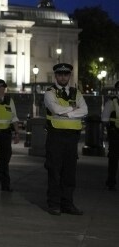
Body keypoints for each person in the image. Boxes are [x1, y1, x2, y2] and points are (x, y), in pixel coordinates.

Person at [44, 63, 87, 215]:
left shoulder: (77, 93)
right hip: (56, 135)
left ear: (69, 76)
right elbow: (55, 110)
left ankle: (67, 204)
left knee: (70, 172)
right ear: (56, 75)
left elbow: (85, 110)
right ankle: (54, 204)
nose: (63, 77)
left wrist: (65, 113)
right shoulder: (50, 93)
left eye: (66, 74)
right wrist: (73, 109)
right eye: (60, 74)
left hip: (72, 138)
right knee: (54, 170)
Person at [101, 81, 119, 191]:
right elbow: (104, 120)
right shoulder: (111, 103)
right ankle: (111, 182)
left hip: (114, 133)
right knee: (113, 159)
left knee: (113, 159)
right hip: (115, 134)